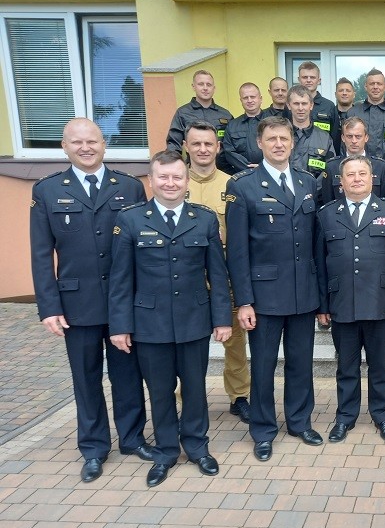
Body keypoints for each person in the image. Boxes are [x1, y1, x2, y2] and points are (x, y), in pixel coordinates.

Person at [29, 118, 152, 483]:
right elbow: (41, 253)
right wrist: (49, 306)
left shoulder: (129, 187)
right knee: (86, 378)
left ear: (104, 144)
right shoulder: (47, 190)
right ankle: (94, 448)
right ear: (64, 147)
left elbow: (143, 248)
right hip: (76, 304)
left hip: (122, 303)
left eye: (92, 141)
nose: (86, 147)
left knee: (127, 375)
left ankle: (132, 438)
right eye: (77, 142)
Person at [108, 150, 231, 487]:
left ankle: (197, 447)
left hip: (194, 321)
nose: (170, 183)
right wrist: (120, 326)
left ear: (187, 181)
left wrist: (222, 319)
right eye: (163, 177)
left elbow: (218, 275)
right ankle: (165, 452)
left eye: (177, 177)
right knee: (160, 392)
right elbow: (120, 279)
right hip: (150, 325)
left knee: (195, 390)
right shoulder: (131, 220)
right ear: (152, 180)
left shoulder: (204, 219)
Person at [225, 116, 324, 462]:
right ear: (260, 143)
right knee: (263, 367)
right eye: (271, 139)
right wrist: (244, 301)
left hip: (302, 293)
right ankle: (263, 430)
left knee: (301, 364)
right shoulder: (243, 186)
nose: (278, 144)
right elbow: (237, 251)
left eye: (284, 138)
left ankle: (299, 422)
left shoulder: (308, 182)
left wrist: (320, 296)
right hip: (264, 297)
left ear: (293, 142)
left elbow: (315, 243)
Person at [316, 155, 385, 443]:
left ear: (372, 178)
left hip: (379, 301)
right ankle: (345, 417)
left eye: (362, 173)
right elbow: (319, 264)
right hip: (342, 302)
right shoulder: (326, 214)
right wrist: (322, 305)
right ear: (341, 181)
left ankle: (381, 415)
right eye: (350, 174)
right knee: (346, 366)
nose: (357, 179)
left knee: (379, 365)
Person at [184, 120, 252, 423]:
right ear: (186, 147)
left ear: (218, 147)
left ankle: (240, 396)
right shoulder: (174, 181)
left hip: (225, 279)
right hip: (187, 281)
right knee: (187, 347)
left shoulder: (233, 185)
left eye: (208, 144)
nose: (202, 149)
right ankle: (187, 399)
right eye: (196, 143)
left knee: (235, 344)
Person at [165, 69, 234, 173]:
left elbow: (234, 144)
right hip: (193, 172)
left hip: (223, 171)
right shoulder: (183, 113)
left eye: (209, 85)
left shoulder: (225, 115)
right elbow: (173, 144)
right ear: (193, 87)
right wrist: (174, 167)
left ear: (214, 88)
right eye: (201, 84)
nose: (205, 88)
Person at [346, 68, 385, 175]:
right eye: (372, 84)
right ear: (366, 87)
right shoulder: (353, 113)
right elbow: (345, 145)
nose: (375, 87)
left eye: (379, 84)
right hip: (358, 172)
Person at [317, 116, 385, 205]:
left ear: (366, 137)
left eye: (358, 136)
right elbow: (327, 203)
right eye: (349, 136)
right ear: (343, 138)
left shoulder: (381, 166)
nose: (354, 141)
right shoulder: (331, 167)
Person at [288, 85, 336, 179]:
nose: (300, 108)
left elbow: (330, 170)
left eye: (304, 103)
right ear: (289, 105)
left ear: (311, 105)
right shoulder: (280, 136)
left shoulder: (324, 138)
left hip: (316, 188)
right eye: (296, 103)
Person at [222, 82, 267, 173]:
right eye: (245, 98)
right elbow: (229, 152)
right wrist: (249, 168)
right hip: (242, 174)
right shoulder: (232, 125)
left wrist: (264, 167)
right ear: (241, 100)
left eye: (253, 97)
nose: (249, 100)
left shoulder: (273, 122)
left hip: (269, 173)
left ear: (260, 99)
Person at [297, 61, 337, 138]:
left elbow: (335, 137)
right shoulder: (291, 105)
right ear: (299, 80)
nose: (308, 80)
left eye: (312, 77)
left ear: (319, 81)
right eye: (305, 77)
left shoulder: (329, 106)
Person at [332, 77, 356, 155]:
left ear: (354, 94)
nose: (344, 93)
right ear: (335, 94)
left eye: (348, 90)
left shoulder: (361, 116)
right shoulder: (329, 115)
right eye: (341, 90)